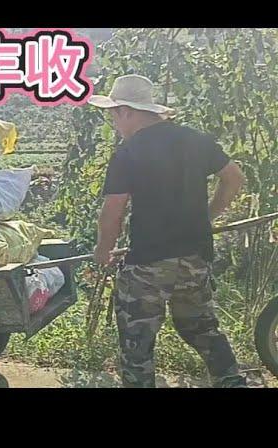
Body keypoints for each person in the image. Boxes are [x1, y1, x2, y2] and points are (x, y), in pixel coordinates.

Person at [89, 75, 247, 388]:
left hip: (149, 261)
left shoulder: (128, 153)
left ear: (126, 111)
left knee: (138, 338)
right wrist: (206, 217)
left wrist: (103, 249)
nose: (114, 122)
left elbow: (113, 211)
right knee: (200, 326)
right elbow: (235, 177)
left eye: (113, 114)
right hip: (195, 256)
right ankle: (231, 380)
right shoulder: (194, 140)